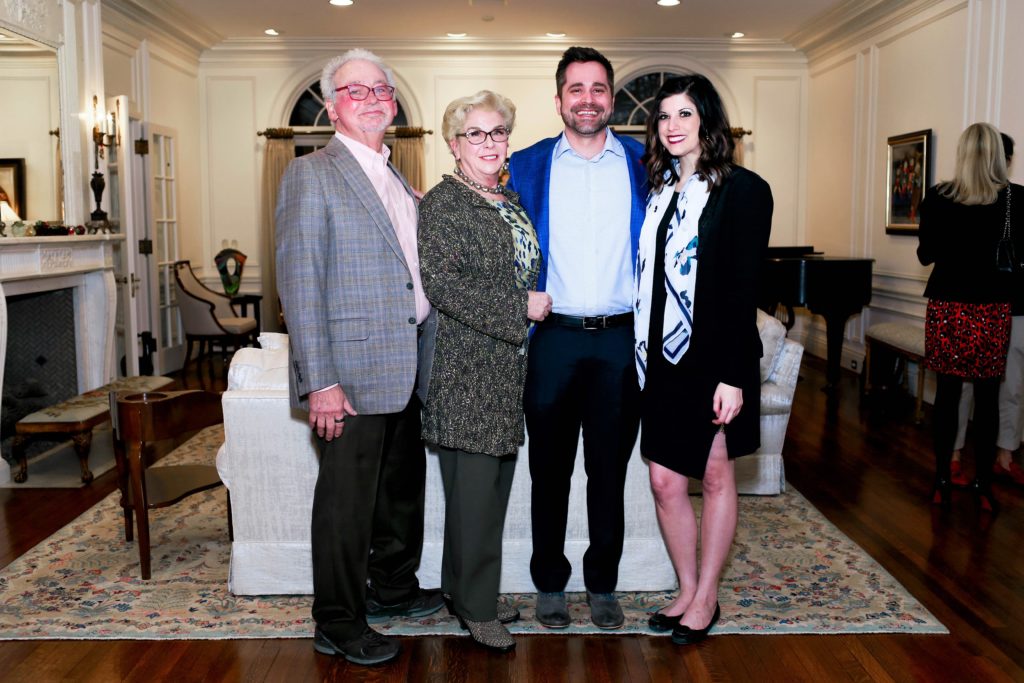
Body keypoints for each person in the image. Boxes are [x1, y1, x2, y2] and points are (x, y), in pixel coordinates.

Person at [275, 48, 443, 666]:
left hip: (407, 366)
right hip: (348, 371)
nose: (371, 99)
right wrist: (320, 382)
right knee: (347, 503)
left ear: (394, 102)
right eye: (355, 91)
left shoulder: (395, 174)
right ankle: (338, 620)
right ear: (330, 105)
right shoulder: (312, 173)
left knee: (399, 491)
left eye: (381, 90)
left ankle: (394, 589)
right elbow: (299, 282)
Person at [507, 46, 647, 630]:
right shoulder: (526, 165)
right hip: (552, 341)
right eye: (575, 88)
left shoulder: (645, 162)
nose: (587, 99)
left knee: (609, 471)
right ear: (559, 98)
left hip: (620, 341)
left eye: (597, 89)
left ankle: (603, 585)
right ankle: (549, 584)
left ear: (610, 98)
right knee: (550, 470)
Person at [634, 75, 772, 645]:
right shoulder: (661, 189)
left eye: (684, 114)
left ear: (707, 121)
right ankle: (686, 586)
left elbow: (746, 288)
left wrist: (735, 376)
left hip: (716, 359)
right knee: (666, 481)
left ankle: (707, 595)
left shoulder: (743, 189)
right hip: (662, 360)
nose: (671, 126)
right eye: (663, 116)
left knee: (715, 477)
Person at [418, 90, 551, 652]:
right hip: (464, 372)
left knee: (489, 493)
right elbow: (443, 286)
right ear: (454, 143)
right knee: (474, 496)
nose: (491, 143)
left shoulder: (507, 198)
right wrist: (519, 306)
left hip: (506, 370)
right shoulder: (445, 204)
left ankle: (461, 590)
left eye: (498, 132)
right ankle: (477, 610)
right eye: (477, 133)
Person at [917, 123, 1023, 512]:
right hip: (993, 307)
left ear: (962, 153)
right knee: (988, 398)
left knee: (947, 395)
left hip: (950, 307)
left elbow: (926, 255)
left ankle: (942, 478)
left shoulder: (939, 196)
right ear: (998, 154)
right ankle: (983, 486)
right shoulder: (1015, 199)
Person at [949, 133, 1024, 487]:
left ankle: (1005, 454)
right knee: (965, 382)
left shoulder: (1017, 199)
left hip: (1017, 304)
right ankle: (953, 452)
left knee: (1011, 385)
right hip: (981, 305)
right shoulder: (966, 198)